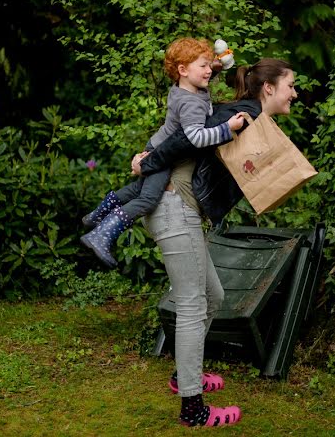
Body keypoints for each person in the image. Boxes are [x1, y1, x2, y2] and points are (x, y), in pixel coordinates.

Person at [131, 58, 298, 427]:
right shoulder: (242, 114)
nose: (295, 93)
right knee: (193, 304)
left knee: (214, 296)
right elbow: (184, 137)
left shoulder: (253, 118)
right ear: (269, 88)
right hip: (174, 205)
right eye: (290, 85)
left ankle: (183, 376)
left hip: (184, 208)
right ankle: (193, 409)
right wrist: (147, 162)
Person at [79, 37, 246, 268]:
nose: (208, 71)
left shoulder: (185, 86)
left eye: (209, 65)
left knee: (138, 188)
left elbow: (201, 75)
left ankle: (97, 215)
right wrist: (227, 128)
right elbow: (196, 138)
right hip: (163, 155)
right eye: (204, 66)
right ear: (183, 70)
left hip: (159, 147)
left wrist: (216, 65)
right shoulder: (190, 103)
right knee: (148, 199)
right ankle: (101, 234)